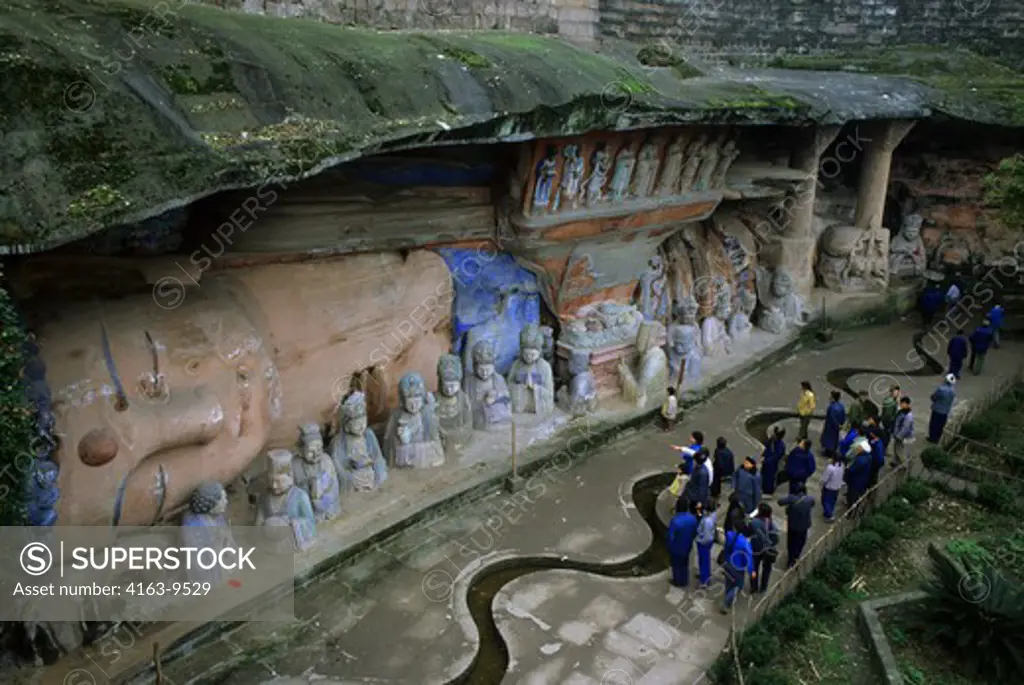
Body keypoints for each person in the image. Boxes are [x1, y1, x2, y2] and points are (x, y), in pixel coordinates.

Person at [719, 523, 755, 614]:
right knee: (738, 585)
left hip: (727, 563)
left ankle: (728, 600)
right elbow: (748, 559)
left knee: (728, 583)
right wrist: (751, 571)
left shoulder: (731, 535)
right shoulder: (745, 544)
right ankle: (726, 603)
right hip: (737, 568)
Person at [778, 481, 815, 568]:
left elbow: (780, 502)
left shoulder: (792, 498)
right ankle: (796, 556)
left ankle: (790, 560)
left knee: (791, 543)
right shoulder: (810, 499)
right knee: (801, 541)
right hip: (804, 525)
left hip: (793, 525)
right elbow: (813, 504)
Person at [667, 497, 698, 587]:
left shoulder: (675, 521)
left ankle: (677, 581)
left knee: (676, 565)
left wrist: (669, 546)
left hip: (676, 548)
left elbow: (671, 536)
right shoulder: (693, 519)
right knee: (685, 563)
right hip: (687, 545)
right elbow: (694, 532)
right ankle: (684, 580)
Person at [748, 503, 780, 594]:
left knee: (754, 569)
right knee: (767, 569)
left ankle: (753, 587)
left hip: (755, 549)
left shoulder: (754, 522)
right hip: (767, 550)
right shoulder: (770, 523)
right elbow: (776, 539)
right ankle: (763, 587)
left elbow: (748, 532)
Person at [845, 435, 872, 507]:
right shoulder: (868, 456)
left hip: (856, 480)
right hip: (862, 480)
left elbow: (852, 469)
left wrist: (848, 469)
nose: (858, 448)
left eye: (859, 447)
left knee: (852, 496)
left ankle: (850, 510)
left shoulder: (861, 460)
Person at [928, 374, 956, 444]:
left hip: (937, 410)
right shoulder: (953, 391)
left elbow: (934, 397)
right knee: (941, 425)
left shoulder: (941, 389)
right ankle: (938, 437)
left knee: (934, 424)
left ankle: (932, 438)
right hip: (945, 411)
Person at [695, 499, 717, 587]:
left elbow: (706, 537)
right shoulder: (712, 515)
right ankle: (704, 575)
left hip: (703, 542)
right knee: (704, 559)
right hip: (708, 540)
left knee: (704, 560)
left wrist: (699, 541)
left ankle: (704, 581)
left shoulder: (707, 521)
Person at [761, 426, 785, 498]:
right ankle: (764, 488)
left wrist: (766, 460)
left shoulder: (780, 445)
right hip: (767, 461)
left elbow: (776, 457)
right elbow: (767, 447)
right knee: (764, 476)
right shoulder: (772, 441)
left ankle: (768, 492)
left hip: (772, 464)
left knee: (769, 478)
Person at [821, 450, 844, 522]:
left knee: (826, 501)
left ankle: (829, 515)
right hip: (837, 487)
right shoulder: (842, 465)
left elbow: (825, 478)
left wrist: (822, 483)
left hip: (829, 487)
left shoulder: (830, 467)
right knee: (832, 501)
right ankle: (829, 513)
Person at [891, 397, 915, 464]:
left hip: (902, 436)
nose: (901, 405)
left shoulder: (908, 416)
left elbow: (905, 428)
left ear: (907, 404)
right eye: (901, 403)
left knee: (900, 451)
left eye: (903, 403)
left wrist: (899, 436)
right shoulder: (902, 411)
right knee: (896, 448)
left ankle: (904, 464)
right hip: (897, 434)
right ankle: (895, 461)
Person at [711, 437, 735, 503]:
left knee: (716, 480)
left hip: (721, 471)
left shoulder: (718, 451)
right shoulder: (728, 451)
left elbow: (719, 464)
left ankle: (715, 493)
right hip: (729, 470)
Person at [879, 385, 900, 453]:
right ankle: (884, 450)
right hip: (888, 422)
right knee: (887, 436)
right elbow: (888, 415)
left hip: (886, 421)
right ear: (892, 392)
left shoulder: (889, 399)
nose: (898, 394)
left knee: (886, 436)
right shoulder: (891, 402)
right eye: (896, 392)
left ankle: (883, 449)